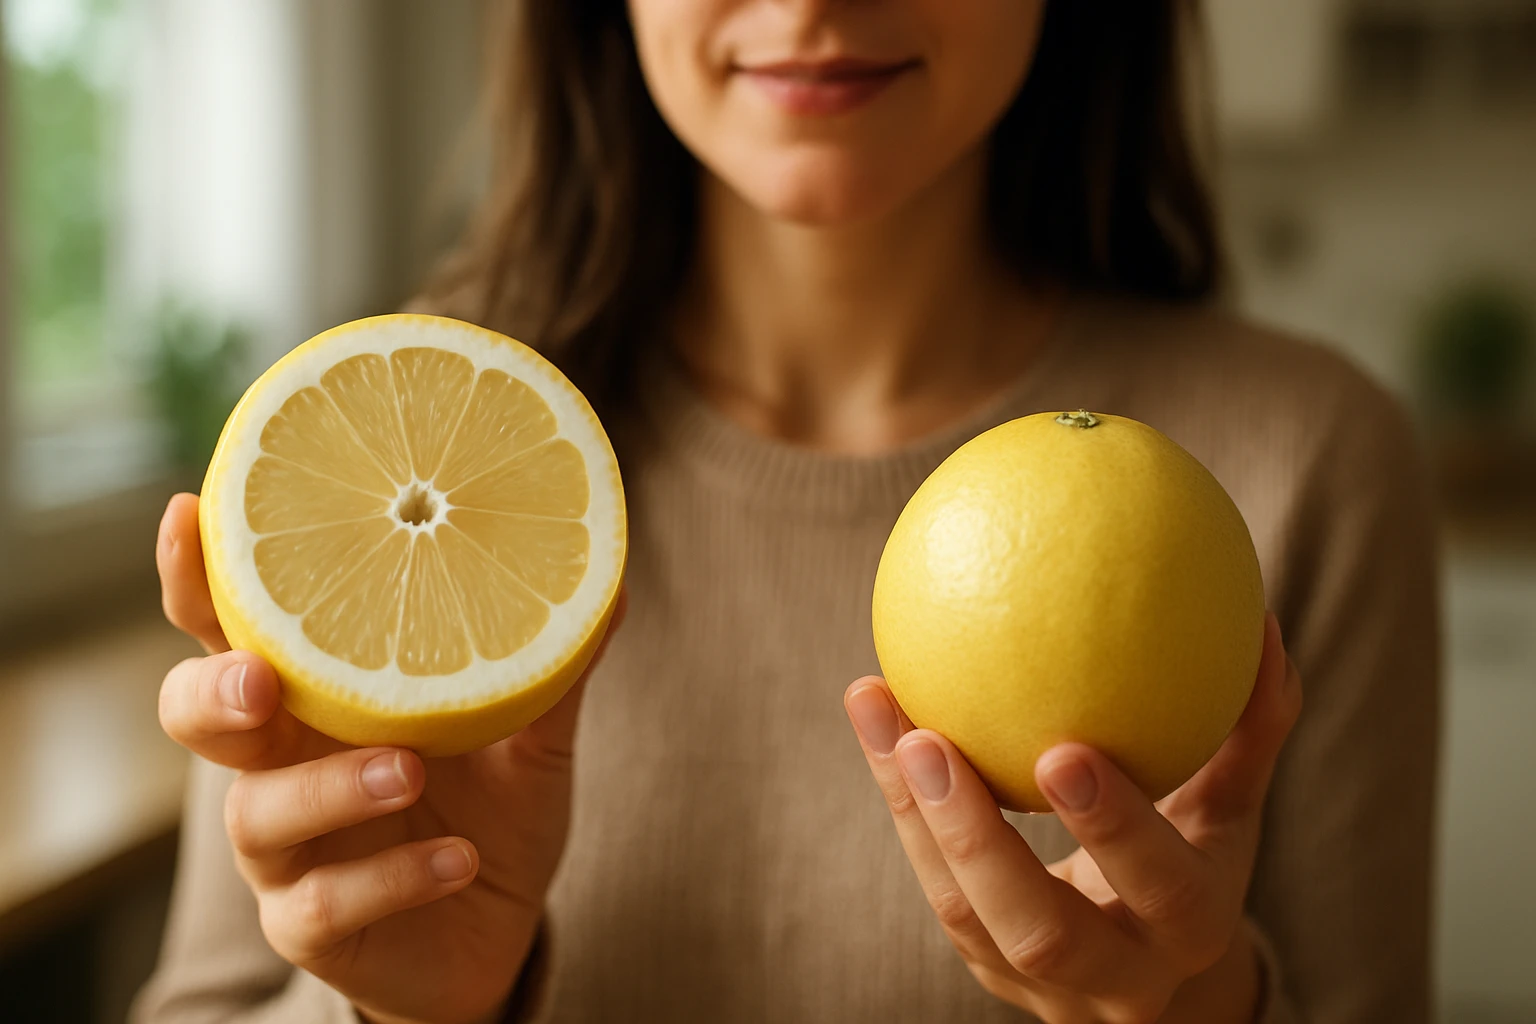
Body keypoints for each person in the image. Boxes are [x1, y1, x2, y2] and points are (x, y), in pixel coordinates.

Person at [133, 2, 1440, 1022]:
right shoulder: (388, 449)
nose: (812, 0)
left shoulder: (1308, 462)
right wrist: (406, 1011)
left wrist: (1191, 1008)